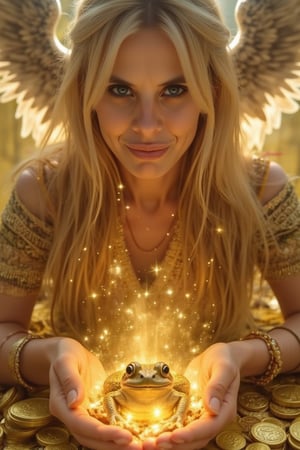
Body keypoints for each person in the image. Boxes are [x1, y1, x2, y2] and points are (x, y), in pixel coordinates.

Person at [0, 0, 299, 449]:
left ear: (211, 92)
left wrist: (242, 355)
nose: (146, 125)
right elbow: (4, 325)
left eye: (173, 90)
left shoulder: (260, 192)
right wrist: (51, 356)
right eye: (119, 91)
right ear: (86, 93)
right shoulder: (44, 193)